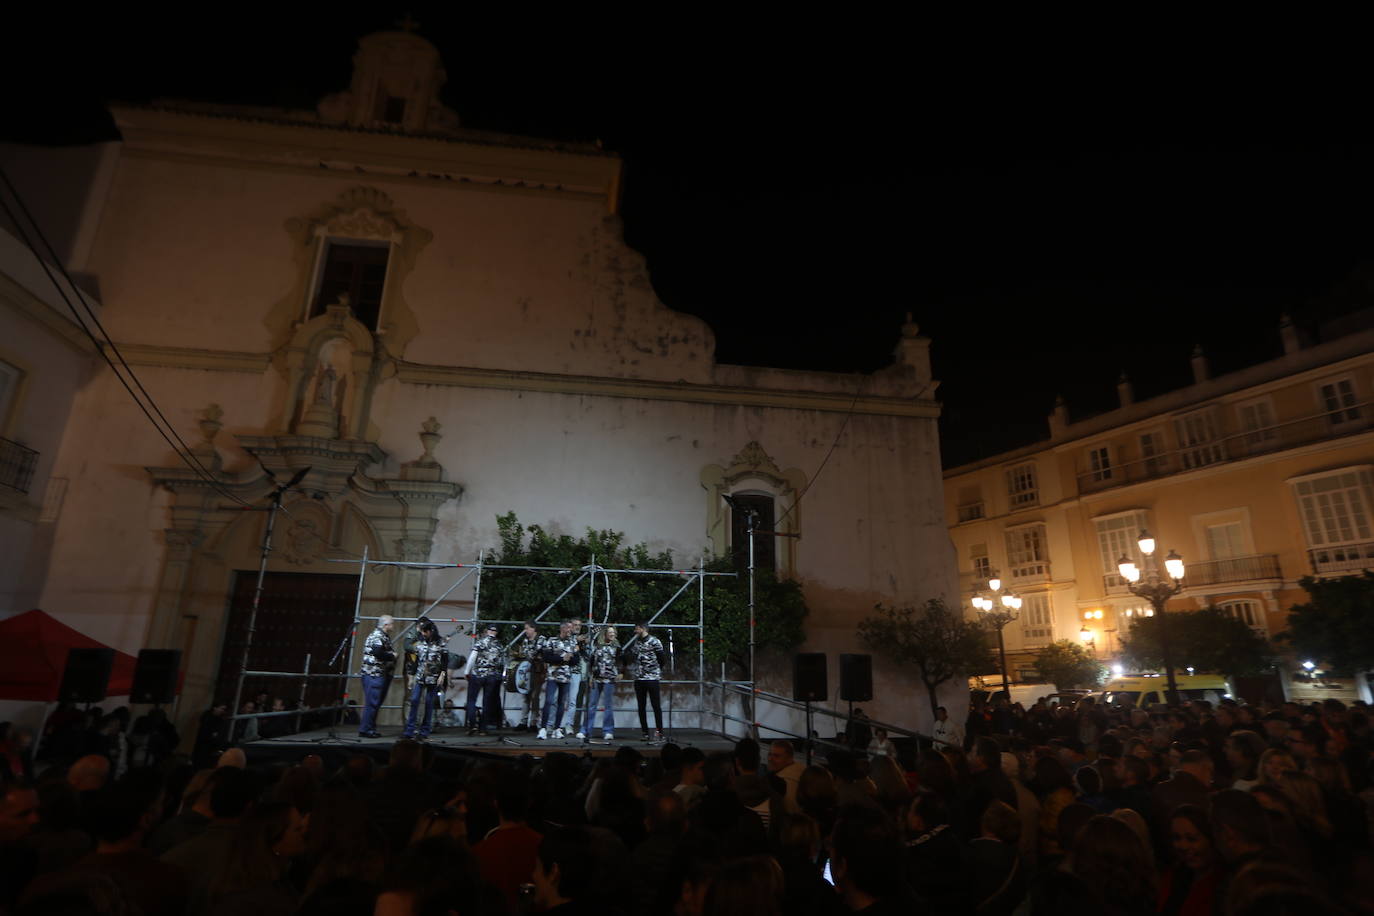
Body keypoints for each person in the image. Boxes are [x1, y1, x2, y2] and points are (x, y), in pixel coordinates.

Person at [402, 618, 448, 741]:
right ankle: (409, 730)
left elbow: (445, 660)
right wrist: (411, 676)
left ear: (430, 631)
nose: (423, 634)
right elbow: (416, 660)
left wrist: (442, 675)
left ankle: (425, 730)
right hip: (420, 676)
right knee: (414, 700)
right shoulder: (420, 643)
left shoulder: (440, 643)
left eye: (425, 631)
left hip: (433, 677)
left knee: (429, 703)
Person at [536, 620, 578, 740]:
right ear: (562, 628)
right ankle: (543, 728)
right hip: (553, 676)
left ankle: (557, 728)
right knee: (549, 701)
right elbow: (547, 657)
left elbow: (576, 660)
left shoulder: (573, 642)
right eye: (568, 628)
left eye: (571, 628)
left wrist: (570, 658)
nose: (570, 630)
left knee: (561, 703)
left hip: (566, 677)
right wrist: (562, 658)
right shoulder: (552, 641)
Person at [625, 621, 665, 741]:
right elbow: (632, 655)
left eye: (636, 628)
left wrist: (656, 670)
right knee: (641, 706)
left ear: (643, 628)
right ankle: (645, 732)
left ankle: (659, 732)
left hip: (652, 678)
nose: (635, 631)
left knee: (656, 705)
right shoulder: (637, 642)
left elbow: (662, 658)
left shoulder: (655, 641)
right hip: (639, 678)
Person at [358, 614, 396, 738]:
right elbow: (377, 652)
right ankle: (367, 729)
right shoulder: (377, 636)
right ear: (386, 625)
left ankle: (368, 728)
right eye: (392, 623)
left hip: (379, 673)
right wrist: (392, 656)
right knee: (372, 703)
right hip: (374, 674)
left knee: (374, 703)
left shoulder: (382, 636)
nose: (393, 625)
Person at [465, 622, 505, 736]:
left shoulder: (480, 642)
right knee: (487, 703)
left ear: (487, 631)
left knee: (471, 700)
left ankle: (472, 725)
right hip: (492, 676)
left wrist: (467, 671)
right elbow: (502, 663)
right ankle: (482, 729)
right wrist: (501, 676)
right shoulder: (499, 646)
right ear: (496, 633)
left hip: (477, 674)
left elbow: (472, 657)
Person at [588, 626, 621, 740]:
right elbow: (592, 662)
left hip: (609, 680)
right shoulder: (597, 646)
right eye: (610, 632)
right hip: (597, 679)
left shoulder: (617, 648)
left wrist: (621, 673)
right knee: (592, 705)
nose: (612, 634)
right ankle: (587, 730)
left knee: (608, 706)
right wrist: (591, 677)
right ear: (605, 634)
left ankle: (608, 731)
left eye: (613, 632)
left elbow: (622, 661)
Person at [561, 615, 590, 738]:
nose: (577, 627)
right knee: (559, 700)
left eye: (579, 625)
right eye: (575, 625)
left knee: (573, 701)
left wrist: (584, 644)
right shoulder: (566, 638)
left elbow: (587, 655)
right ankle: (554, 725)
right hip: (562, 672)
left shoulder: (582, 641)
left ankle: (569, 725)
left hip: (576, 673)